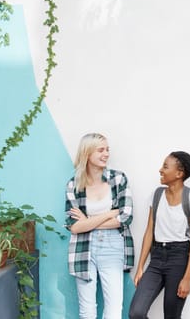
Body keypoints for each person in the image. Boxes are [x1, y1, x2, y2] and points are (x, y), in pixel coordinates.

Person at [65, 133, 134, 319]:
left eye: (107, 150)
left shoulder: (118, 179)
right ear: (87, 153)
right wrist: (109, 213)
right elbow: (74, 227)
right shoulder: (74, 185)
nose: (106, 154)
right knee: (87, 310)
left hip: (112, 245)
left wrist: (87, 221)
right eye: (101, 150)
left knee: (113, 309)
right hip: (82, 246)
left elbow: (125, 217)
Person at [129, 151, 190, 319]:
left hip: (180, 259)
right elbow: (149, 232)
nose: (160, 170)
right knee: (136, 313)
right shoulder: (156, 195)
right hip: (156, 259)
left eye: (165, 166)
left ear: (179, 173)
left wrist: (187, 277)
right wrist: (141, 267)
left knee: (171, 315)